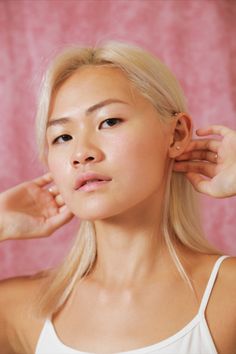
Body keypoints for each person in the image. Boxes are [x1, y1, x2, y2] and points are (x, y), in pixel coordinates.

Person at [0, 41, 235, 354]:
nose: (81, 153)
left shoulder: (228, 297)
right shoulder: (19, 310)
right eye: (62, 137)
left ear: (177, 134)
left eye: (108, 121)